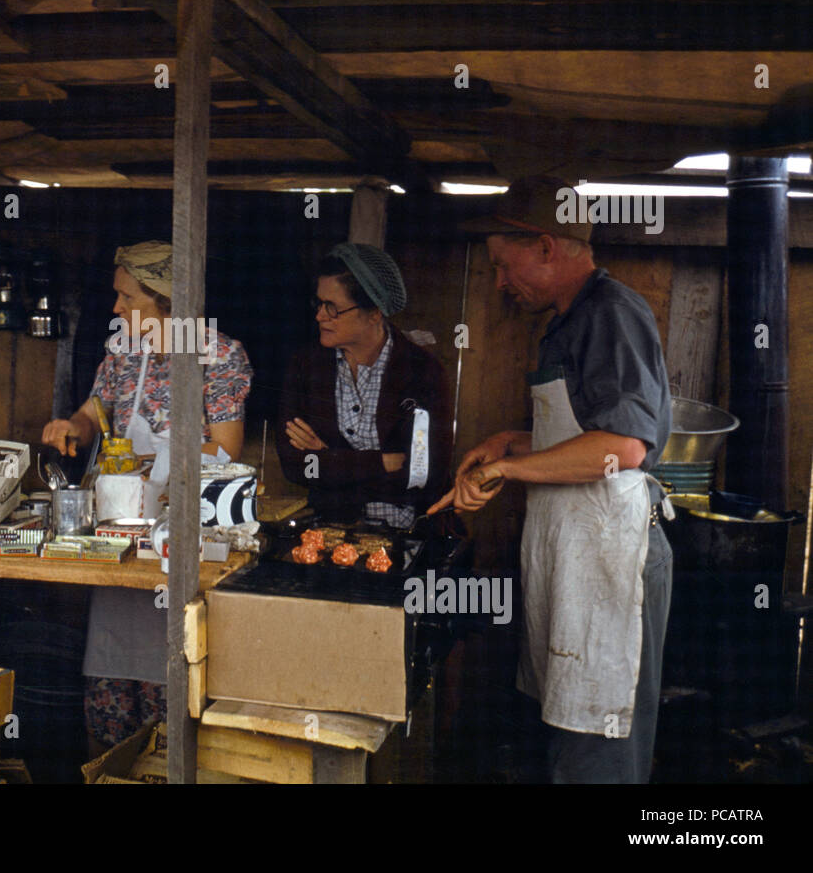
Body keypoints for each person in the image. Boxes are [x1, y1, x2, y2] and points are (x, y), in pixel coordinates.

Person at [427, 175, 673, 784]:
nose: (501, 284)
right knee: (569, 718)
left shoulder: (611, 313)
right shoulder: (569, 320)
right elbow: (584, 435)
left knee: (599, 724)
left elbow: (623, 446)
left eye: (504, 267)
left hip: (613, 557)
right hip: (577, 554)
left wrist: (510, 467)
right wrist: (510, 443)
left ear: (544, 245)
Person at [41, 240, 252, 749]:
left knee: (172, 672)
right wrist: (70, 426)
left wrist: (149, 459)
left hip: (180, 536)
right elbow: (96, 414)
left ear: (166, 302)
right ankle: (111, 769)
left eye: (128, 298)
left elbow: (225, 449)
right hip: (120, 533)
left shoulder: (219, 356)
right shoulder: (122, 350)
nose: (116, 309)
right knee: (111, 673)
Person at [276, 243, 452, 525]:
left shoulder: (422, 372)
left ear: (374, 313)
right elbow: (295, 466)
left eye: (332, 308)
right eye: (319, 303)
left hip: (411, 534)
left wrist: (330, 459)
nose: (320, 315)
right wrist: (383, 462)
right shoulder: (305, 367)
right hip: (330, 531)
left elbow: (425, 477)